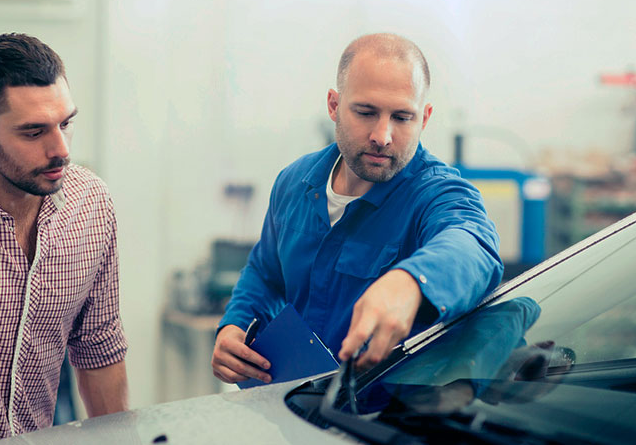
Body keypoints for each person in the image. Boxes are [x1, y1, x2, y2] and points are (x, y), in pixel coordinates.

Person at [212, 33, 503, 385]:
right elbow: (265, 272)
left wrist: (412, 281)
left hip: (379, 421)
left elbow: (473, 243)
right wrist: (234, 325)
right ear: (334, 105)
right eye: (366, 112)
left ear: (424, 118)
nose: (383, 135)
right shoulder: (294, 183)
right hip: (292, 408)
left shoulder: (434, 193)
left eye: (402, 117)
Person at [0, 33, 128, 444]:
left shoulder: (91, 204)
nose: (61, 150)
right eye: (34, 133)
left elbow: (99, 347)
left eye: (66, 124)